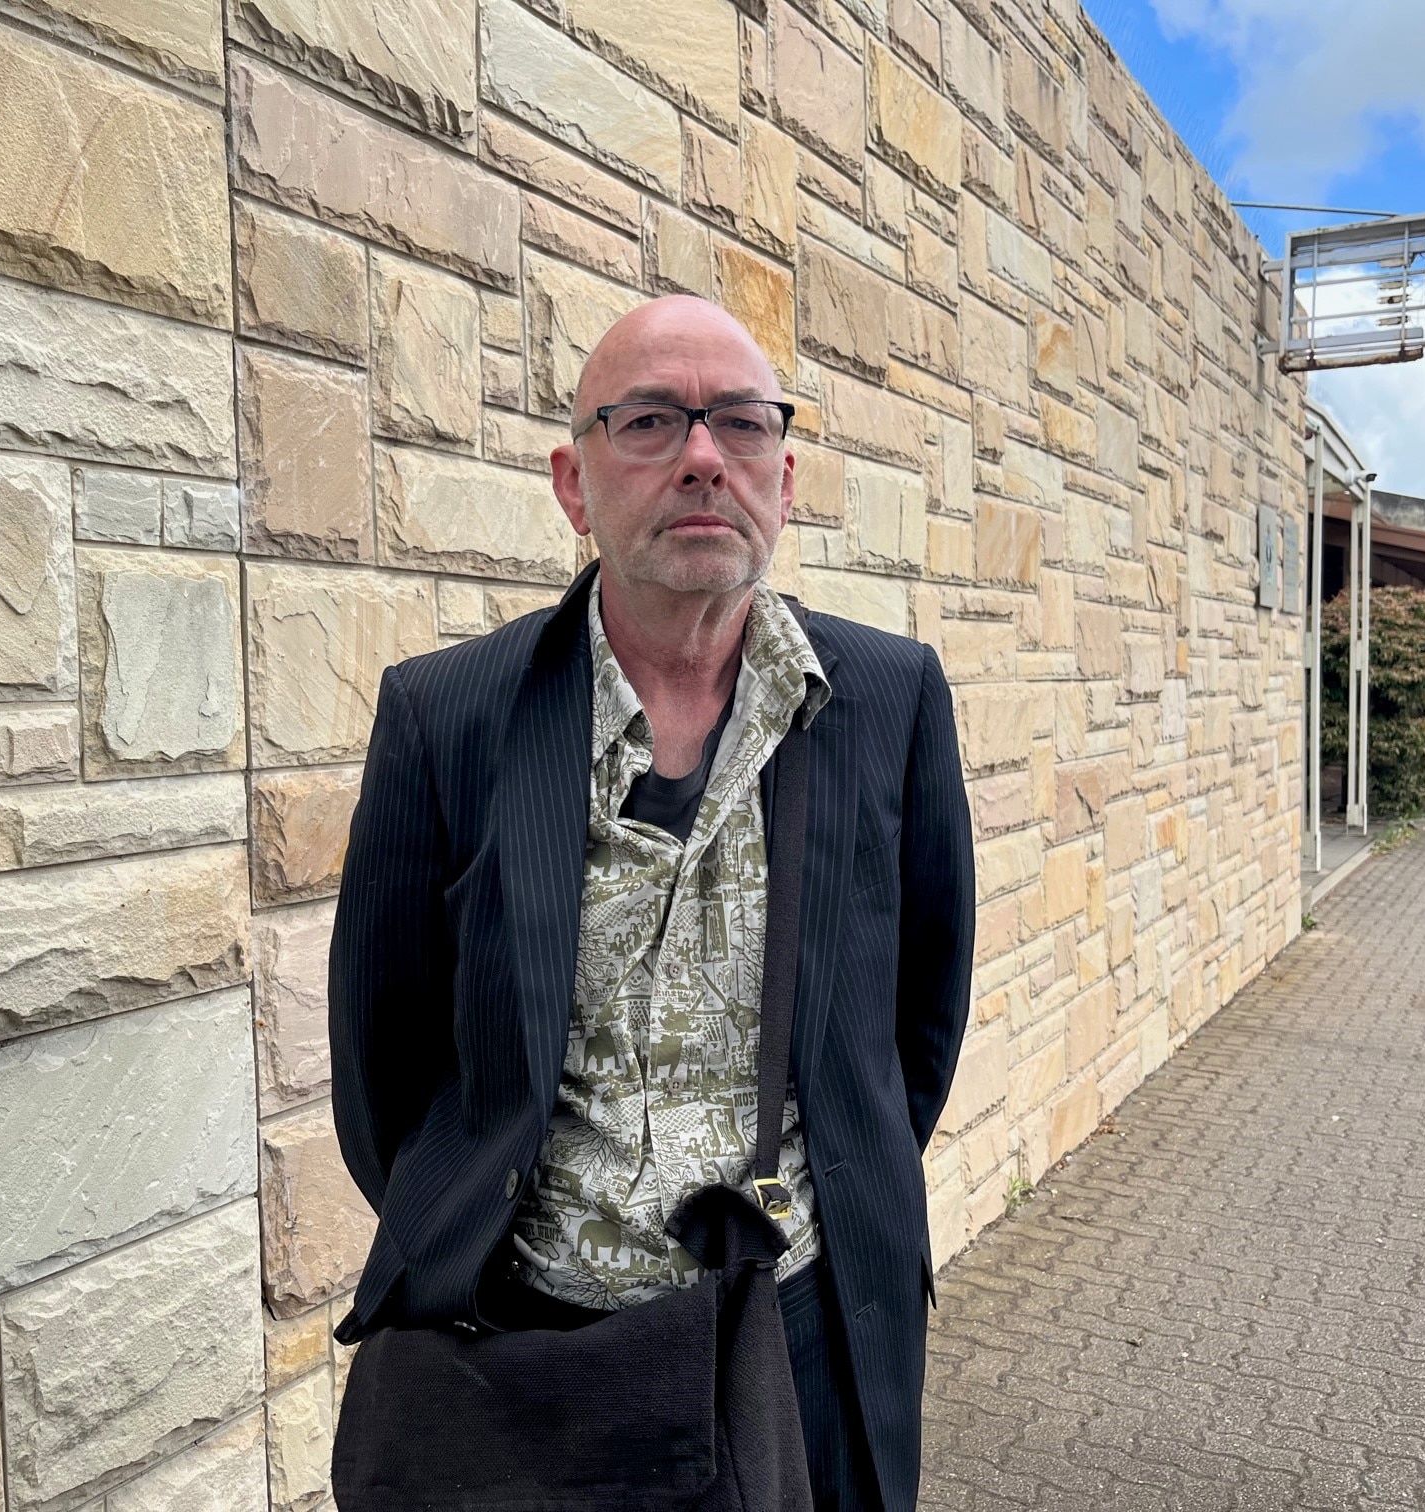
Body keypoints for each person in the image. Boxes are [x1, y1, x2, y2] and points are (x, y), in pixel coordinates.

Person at [329, 295, 976, 1512]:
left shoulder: (889, 700)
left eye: (740, 422)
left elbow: (916, 1031)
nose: (701, 456)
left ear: (783, 472)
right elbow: (384, 1062)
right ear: (573, 484)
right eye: (650, 423)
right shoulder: (445, 716)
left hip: (803, 1336)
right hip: (521, 1346)